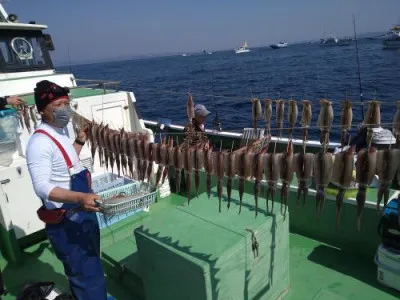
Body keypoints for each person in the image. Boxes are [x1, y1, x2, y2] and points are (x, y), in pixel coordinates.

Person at [25, 80, 108, 300]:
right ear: (42, 110)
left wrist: (79, 143)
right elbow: (42, 186)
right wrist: (81, 196)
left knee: (93, 268)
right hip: (67, 223)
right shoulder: (39, 143)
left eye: (66, 104)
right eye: (58, 105)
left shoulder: (60, 131)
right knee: (86, 278)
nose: (65, 110)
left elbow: (64, 162)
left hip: (83, 216)